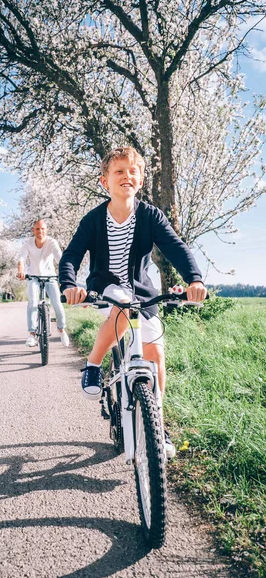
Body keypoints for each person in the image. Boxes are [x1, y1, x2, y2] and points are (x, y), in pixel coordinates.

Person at [59, 146, 207, 458]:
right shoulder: (93, 220)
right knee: (123, 303)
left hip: (143, 289)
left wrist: (194, 278)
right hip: (104, 285)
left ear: (140, 180)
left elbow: (175, 247)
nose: (127, 176)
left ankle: (157, 422)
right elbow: (72, 255)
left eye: (133, 171)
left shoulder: (150, 215)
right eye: (119, 171)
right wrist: (69, 284)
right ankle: (93, 364)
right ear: (105, 181)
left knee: (155, 353)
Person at [18, 219, 69, 348]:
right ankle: (31, 334)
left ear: (46, 230)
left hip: (50, 276)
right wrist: (21, 270)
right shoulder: (28, 243)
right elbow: (21, 258)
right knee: (33, 302)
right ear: (33, 230)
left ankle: (62, 330)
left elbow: (59, 258)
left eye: (42, 229)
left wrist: (65, 272)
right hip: (33, 276)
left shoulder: (51, 242)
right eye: (37, 229)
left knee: (57, 302)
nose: (40, 231)